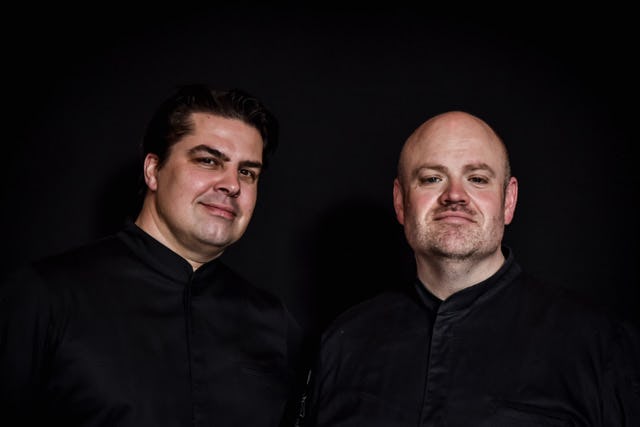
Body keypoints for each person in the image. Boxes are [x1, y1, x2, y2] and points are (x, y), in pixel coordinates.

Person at [302, 111, 640, 426]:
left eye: (477, 179)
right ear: (400, 201)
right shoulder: (343, 343)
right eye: (432, 178)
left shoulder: (600, 346)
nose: (454, 195)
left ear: (508, 201)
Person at [0, 84, 305, 426]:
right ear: (153, 170)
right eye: (208, 161)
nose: (232, 184)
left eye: (247, 172)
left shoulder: (274, 323)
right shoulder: (45, 296)